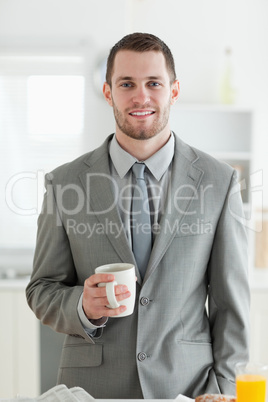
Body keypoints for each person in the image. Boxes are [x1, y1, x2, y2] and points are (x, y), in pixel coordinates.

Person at [26, 32, 250, 399]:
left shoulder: (219, 181)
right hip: (93, 389)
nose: (140, 96)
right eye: (126, 83)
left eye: (154, 83)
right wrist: (81, 305)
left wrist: (226, 388)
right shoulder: (64, 182)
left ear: (174, 91)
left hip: (188, 388)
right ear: (108, 92)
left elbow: (231, 307)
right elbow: (41, 289)